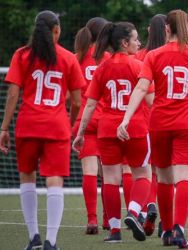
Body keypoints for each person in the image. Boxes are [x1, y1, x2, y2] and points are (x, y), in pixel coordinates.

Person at [117, 9, 188, 248]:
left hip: (160, 123)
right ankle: (179, 230)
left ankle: (166, 231)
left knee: (164, 178)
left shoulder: (153, 55)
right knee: (184, 178)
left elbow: (142, 89)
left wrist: (125, 119)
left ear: (167, 29)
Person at [0, 10, 84, 250]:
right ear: (56, 30)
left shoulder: (21, 55)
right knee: (54, 180)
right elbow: (77, 101)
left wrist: (4, 127)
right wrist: (70, 124)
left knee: (27, 177)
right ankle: (51, 241)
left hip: (27, 125)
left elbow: (13, 93)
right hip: (56, 127)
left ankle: (33, 237)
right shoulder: (68, 58)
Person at [72, 21, 152, 243]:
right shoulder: (138, 67)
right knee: (143, 174)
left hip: (106, 129)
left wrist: (80, 132)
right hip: (134, 127)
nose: (139, 43)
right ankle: (134, 212)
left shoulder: (103, 68)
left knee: (110, 179)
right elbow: (150, 100)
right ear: (124, 43)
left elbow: (89, 104)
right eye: (135, 39)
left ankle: (115, 230)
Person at [73, 16, 110, 235]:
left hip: (84, 120)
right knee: (109, 173)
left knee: (89, 171)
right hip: (106, 119)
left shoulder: (76, 58)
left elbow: (72, 96)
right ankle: (109, 219)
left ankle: (92, 220)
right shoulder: (108, 58)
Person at [134, 13, 167, 237]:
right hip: (167, 118)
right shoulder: (172, 55)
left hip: (143, 120)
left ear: (148, 30)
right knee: (165, 172)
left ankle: (147, 208)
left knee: (146, 172)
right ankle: (165, 218)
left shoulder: (138, 56)